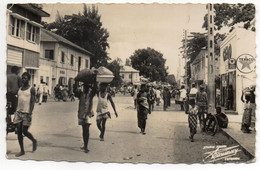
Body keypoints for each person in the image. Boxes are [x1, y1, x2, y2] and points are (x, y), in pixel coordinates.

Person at [13, 72, 37, 157]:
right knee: (19, 131)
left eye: (25, 78)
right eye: (23, 78)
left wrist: (30, 113)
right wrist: (15, 111)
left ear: (29, 79)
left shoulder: (32, 89)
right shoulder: (19, 89)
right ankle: (22, 150)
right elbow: (17, 101)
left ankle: (33, 140)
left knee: (24, 131)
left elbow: (33, 101)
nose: (23, 79)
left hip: (27, 113)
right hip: (19, 113)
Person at [73, 81, 97, 153]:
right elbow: (75, 92)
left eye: (87, 87)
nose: (86, 88)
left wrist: (94, 81)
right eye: (85, 87)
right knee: (84, 130)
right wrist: (76, 82)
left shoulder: (91, 94)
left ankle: (86, 146)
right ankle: (85, 145)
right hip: (81, 113)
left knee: (87, 129)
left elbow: (95, 89)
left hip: (88, 113)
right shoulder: (80, 94)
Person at [6, 66, 22, 132]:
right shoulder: (18, 77)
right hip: (14, 96)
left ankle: (8, 122)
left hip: (6, 96)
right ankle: (16, 125)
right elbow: (21, 88)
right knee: (17, 110)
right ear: (16, 71)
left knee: (7, 110)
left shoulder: (6, 76)